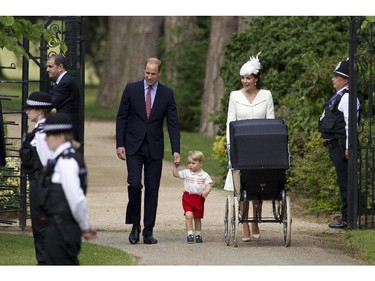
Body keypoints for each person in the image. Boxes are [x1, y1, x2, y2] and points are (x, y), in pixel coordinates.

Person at [116, 57, 181, 245]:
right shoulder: (131, 89)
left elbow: (173, 123)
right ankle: (134, 225)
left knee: (153, 189)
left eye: (153, 73)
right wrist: (120, 144)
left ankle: (148, 230)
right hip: (133, 146)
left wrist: (175, 149)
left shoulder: (167, 94)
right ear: (144, 70)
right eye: (147, 73)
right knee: (135, 185)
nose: (149, 76)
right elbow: (122, 117)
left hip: (154, 147)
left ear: (159, 73)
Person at [224, 52, 275, 241]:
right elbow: (231, 121)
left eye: (248, 78)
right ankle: (244, 223)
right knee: (242, 186)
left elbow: (271, 121)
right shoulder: (235, 96)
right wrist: (230, 146)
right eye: (243, 78)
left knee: (257, 187)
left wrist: (271, 146)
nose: (245, 81)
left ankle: (255, 221)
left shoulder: (266, 95)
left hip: (261, 147)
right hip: (242, 146)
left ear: (256, 79)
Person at [39, 112, 97, 265]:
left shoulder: (66, 161)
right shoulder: (63, 157)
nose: (45, 139)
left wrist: (85, 226)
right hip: (60, 226)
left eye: (49, 134)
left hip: (62, 228)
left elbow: (76, 199)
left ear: (61, 136)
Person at [318, 59, 360, 229]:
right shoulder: (340, 96)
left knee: (346, 182)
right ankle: (347, 216)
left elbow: (351, 124)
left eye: (337, 76)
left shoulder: (348, 97)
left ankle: (348, 218)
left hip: (342, 145)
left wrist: (349, 146)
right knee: (343, 181)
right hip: (336, 144)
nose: (333, 79)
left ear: (346, 79)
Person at [19, 91, 53, 265]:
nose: (26, 112)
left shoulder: (43, 133)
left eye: (29, 108)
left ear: (39, 110)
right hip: (39, 183)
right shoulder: (40, 130)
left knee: (41, 226)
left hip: (42, 184)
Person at [173, 151, 212, 243]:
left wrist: (206, 191)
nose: (190, 165)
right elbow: (176, 174)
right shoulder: (187, 173)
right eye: (189, 163)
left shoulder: (204, 175)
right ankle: (190, 234)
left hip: (198, 198)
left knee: (197, 217)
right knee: (189, 215)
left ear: (201, 163)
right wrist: (175, 166)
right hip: (188, 197)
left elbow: (208, 185)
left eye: (193, 163)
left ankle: (198, 234)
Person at [46, 54, 81, 144]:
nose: (47, 70)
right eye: (47, 67)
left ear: (60, 67)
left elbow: (52, 103)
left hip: (67, 129)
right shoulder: (64, 81)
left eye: (50, 66)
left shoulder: (66, 83)